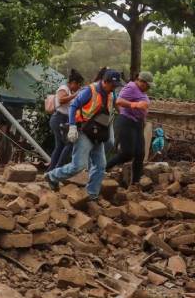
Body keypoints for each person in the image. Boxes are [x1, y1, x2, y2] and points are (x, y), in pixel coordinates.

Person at [44, 69, 123, 201]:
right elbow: (74, 106)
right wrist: (72, 126)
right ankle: (52, 176)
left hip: (98, 133)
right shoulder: (89, 91)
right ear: (105, 82)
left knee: (100, 165)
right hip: (84, 131)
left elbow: (109, 111)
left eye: (116, 86)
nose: (114, 88)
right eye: (112, 85)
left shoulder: (111, 94)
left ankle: (92, 195)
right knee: (78, 165)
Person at [106, 71, 153, 187]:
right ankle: (105, 167)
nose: (149, 88)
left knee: (140, 154)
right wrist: (135, 105)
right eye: (148, 85)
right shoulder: (131, 87)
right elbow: (119, 101)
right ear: (142, 82)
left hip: (137, 124)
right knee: (127, 153)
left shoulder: (142, 92)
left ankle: (135, 184)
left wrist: (143, 117)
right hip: (126, 121)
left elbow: (143, 105)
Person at [47, 69, 84, 171]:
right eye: (78, 84)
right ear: (73, 83)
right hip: (59, 118)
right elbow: (61, 99)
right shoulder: (64, 88)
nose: (79, 87)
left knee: (59, 146)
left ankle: (51, 170)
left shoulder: (69, 91)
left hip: (63, 119)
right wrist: (75, 95)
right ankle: (56, 170)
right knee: (67, 144)